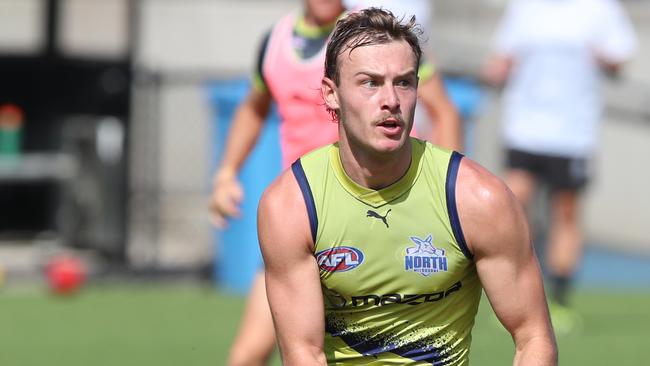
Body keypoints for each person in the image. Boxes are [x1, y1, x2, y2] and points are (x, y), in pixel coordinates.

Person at [259, 7, 556, 365]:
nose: (391, 100)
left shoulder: (477, 199)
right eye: (370, 82)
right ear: (331, 93)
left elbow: (533, 337)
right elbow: (304, 353)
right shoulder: (292, 204)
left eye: (403, 82)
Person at [210, 1, 461, 365]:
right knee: (248, 355)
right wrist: (226, 172)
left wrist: (443, 196)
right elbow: (253, 107)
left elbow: (445, 111)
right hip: (307, 220)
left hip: (384, 212)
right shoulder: (275, 42)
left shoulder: (377, 38)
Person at [483, 0, 637, 334]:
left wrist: (606, 60)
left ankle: (560, 301)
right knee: (514, 206)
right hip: (524, 127)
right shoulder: (525, 8)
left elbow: (620, 56)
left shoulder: (599, 9)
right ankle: (514, 293)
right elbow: (502, 57)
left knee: (565, 212)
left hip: (572, 133)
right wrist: (496, 71)